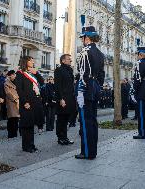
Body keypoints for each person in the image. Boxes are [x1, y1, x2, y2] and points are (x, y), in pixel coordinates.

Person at [75, 26, 105, 159]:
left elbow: (83, 73)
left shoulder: (85, 52)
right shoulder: (99, 53)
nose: (82, 40)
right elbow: (102, 75)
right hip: (95, 87)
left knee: (85, 122)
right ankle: (93, 151)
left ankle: (86, 152)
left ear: (87, 38)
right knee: (93, 120)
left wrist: (80, 91)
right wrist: (98, 87)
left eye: (82, 38)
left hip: (86, 89)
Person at [15, 56, 44, 153]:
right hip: (26, 103)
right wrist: (24, 102)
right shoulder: (20, 73)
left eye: (33, 60)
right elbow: (19, 89)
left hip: (35, 102)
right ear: (25, 62)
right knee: (26, 125)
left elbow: (42, 82)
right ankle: (26, 146)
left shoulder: (33, 73)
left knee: (31, 124)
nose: (33, 62)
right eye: (31, 60)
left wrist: (37, 73)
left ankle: (31, 145)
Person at [54, 54, 76, 145]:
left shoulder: (70, 70)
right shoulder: (59, 70)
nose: (70, 61)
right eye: (68, 59)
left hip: (70, 98)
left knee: (66, 119)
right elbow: (58, 86)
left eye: (70, 59)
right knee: (61, 119)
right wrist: (61, 98)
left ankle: (65, 137)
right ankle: (60, 138)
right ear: (63, 60)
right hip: (62, 98)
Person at [4, 70, 20, 138]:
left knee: (16, 119)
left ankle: (15, 133)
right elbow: (8, 93)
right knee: (11, 119)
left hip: (17, 102)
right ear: (10, 75)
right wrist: (15, 98)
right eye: (13, 74)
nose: (14, 76)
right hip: (11, 103)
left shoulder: (17, 82)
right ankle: (10, 134)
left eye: (14, 74)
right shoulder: (6, 83)